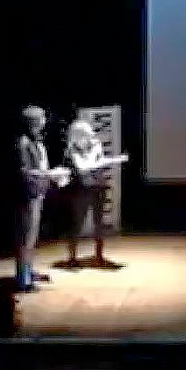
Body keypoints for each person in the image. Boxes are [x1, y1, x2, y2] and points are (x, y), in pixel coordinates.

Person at [61, 110, 120, 269]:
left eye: (90, 134)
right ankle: (72, 257)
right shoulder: (71, 149)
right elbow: (81, 168)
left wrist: (105, 161)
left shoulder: (96, 144)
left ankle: (99, 255)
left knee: (99, 222)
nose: (89, 137)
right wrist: (96, 163)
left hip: (98, 187)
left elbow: (99, 161)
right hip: (80, 189)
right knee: (77, 223)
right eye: (85, 135)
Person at [14, 105, 56, 291]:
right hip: (28, 195)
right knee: (26, 238)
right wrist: (47, 174)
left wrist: (49, 175)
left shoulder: (35, 141)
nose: (45, 121)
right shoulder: (23, 143)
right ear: (33, 121)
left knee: (32, 237)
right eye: (42, 118)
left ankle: (28, 271)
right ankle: (23, 280)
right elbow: (24, 171)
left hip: (37, 193)